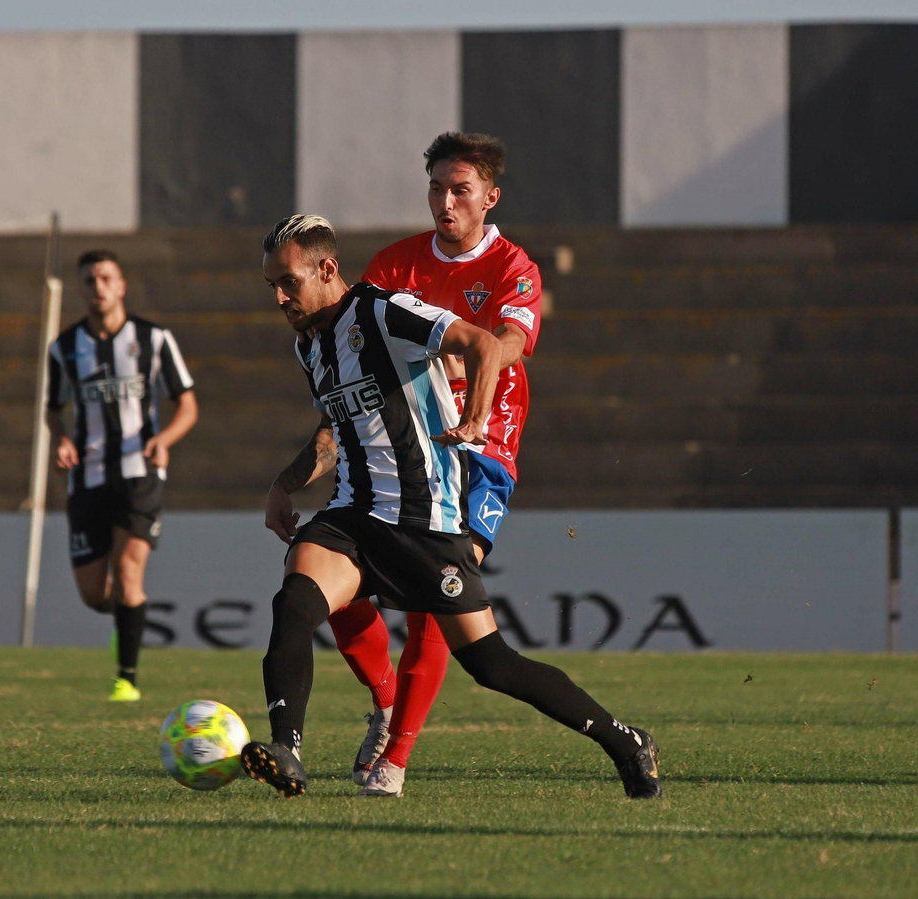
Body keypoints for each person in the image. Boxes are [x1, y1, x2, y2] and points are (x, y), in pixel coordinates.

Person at [245, 214, 658, 800]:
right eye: (272, 287)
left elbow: (484, 342)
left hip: (425, 521)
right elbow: (334, 429)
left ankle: (625, 740)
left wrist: (476, 417)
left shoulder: (386, 313)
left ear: (328, 268)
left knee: (492, 665)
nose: (280, 297)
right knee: (294, 601)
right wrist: (284, 484)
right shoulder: (309, 346)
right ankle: (286, 748)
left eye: (288, 282)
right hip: (353, 517)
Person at [326, 131, 546, 793]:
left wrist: (474, 400)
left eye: (460, 189)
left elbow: (506, 342)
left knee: (435, 597)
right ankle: (385, 698)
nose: (445, 201)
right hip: (403, 439)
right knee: (328, 581)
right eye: (437, 188)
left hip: (482, 449)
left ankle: (395, 759)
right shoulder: (394, 264)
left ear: (489, 197)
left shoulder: (515, 267)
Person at [44, 250, 198, 701]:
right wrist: (61, 439)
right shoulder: (65, 347)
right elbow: (53, 409)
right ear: (82, 289)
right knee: (95, 595)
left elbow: (187, 405)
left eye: (106, 278)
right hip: (88, 477)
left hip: (140, 473)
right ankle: (125, 619)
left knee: (129, 570)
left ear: (122, 285)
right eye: (89, 280)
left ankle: (126, 680)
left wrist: (164, 439)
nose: (98, 287)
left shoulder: (153, 339)